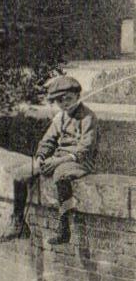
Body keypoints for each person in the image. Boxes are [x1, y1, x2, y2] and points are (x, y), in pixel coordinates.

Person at [35, 73, 98, 246]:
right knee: (22, 174)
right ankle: (18, 222)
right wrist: (41, 157)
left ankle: (64, 227)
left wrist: (57, 162)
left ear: (78, 96)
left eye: (68, 99)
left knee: (60, 175)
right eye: (59, 101)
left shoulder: (88, 117)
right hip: (60, 158)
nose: (64, 104)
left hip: (80, 161)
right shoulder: (60, 117)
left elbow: (85, 148)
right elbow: (48, 140)